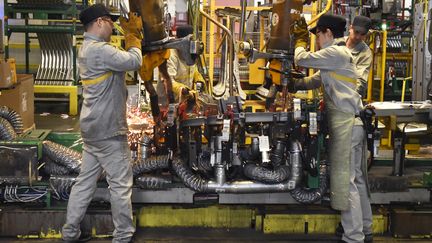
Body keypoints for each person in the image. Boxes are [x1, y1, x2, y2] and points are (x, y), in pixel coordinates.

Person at [61, 4, 142, 243]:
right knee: (120, 184)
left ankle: (70, 232)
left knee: (84, 183)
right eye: (110, 21)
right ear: (98, 22)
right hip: (108, 131)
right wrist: (134, 38)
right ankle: (123, 236)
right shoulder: (101, 51)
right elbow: (134, 61)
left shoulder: (86, 48)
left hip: (92, 129)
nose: (113, 26)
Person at [291, 14, 372, 243]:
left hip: (347, 125)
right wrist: (295, 84)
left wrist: (298, 42)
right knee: (356, 181)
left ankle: (353, 237)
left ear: (327, 33)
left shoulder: (335, 52)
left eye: (317, 35)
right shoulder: (337, 55)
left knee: (347, 184)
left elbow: (302, 59)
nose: (316, 40)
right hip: (352, 124)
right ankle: (366, 230)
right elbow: (317, 80)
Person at [346, 16, 373, 99]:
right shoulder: (338, 43)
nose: (358, 37)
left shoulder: (366, 54)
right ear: (350, 28)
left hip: (349, 101)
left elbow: (360, 81)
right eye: (356, 32)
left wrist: (345, 98)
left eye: (362, 34)